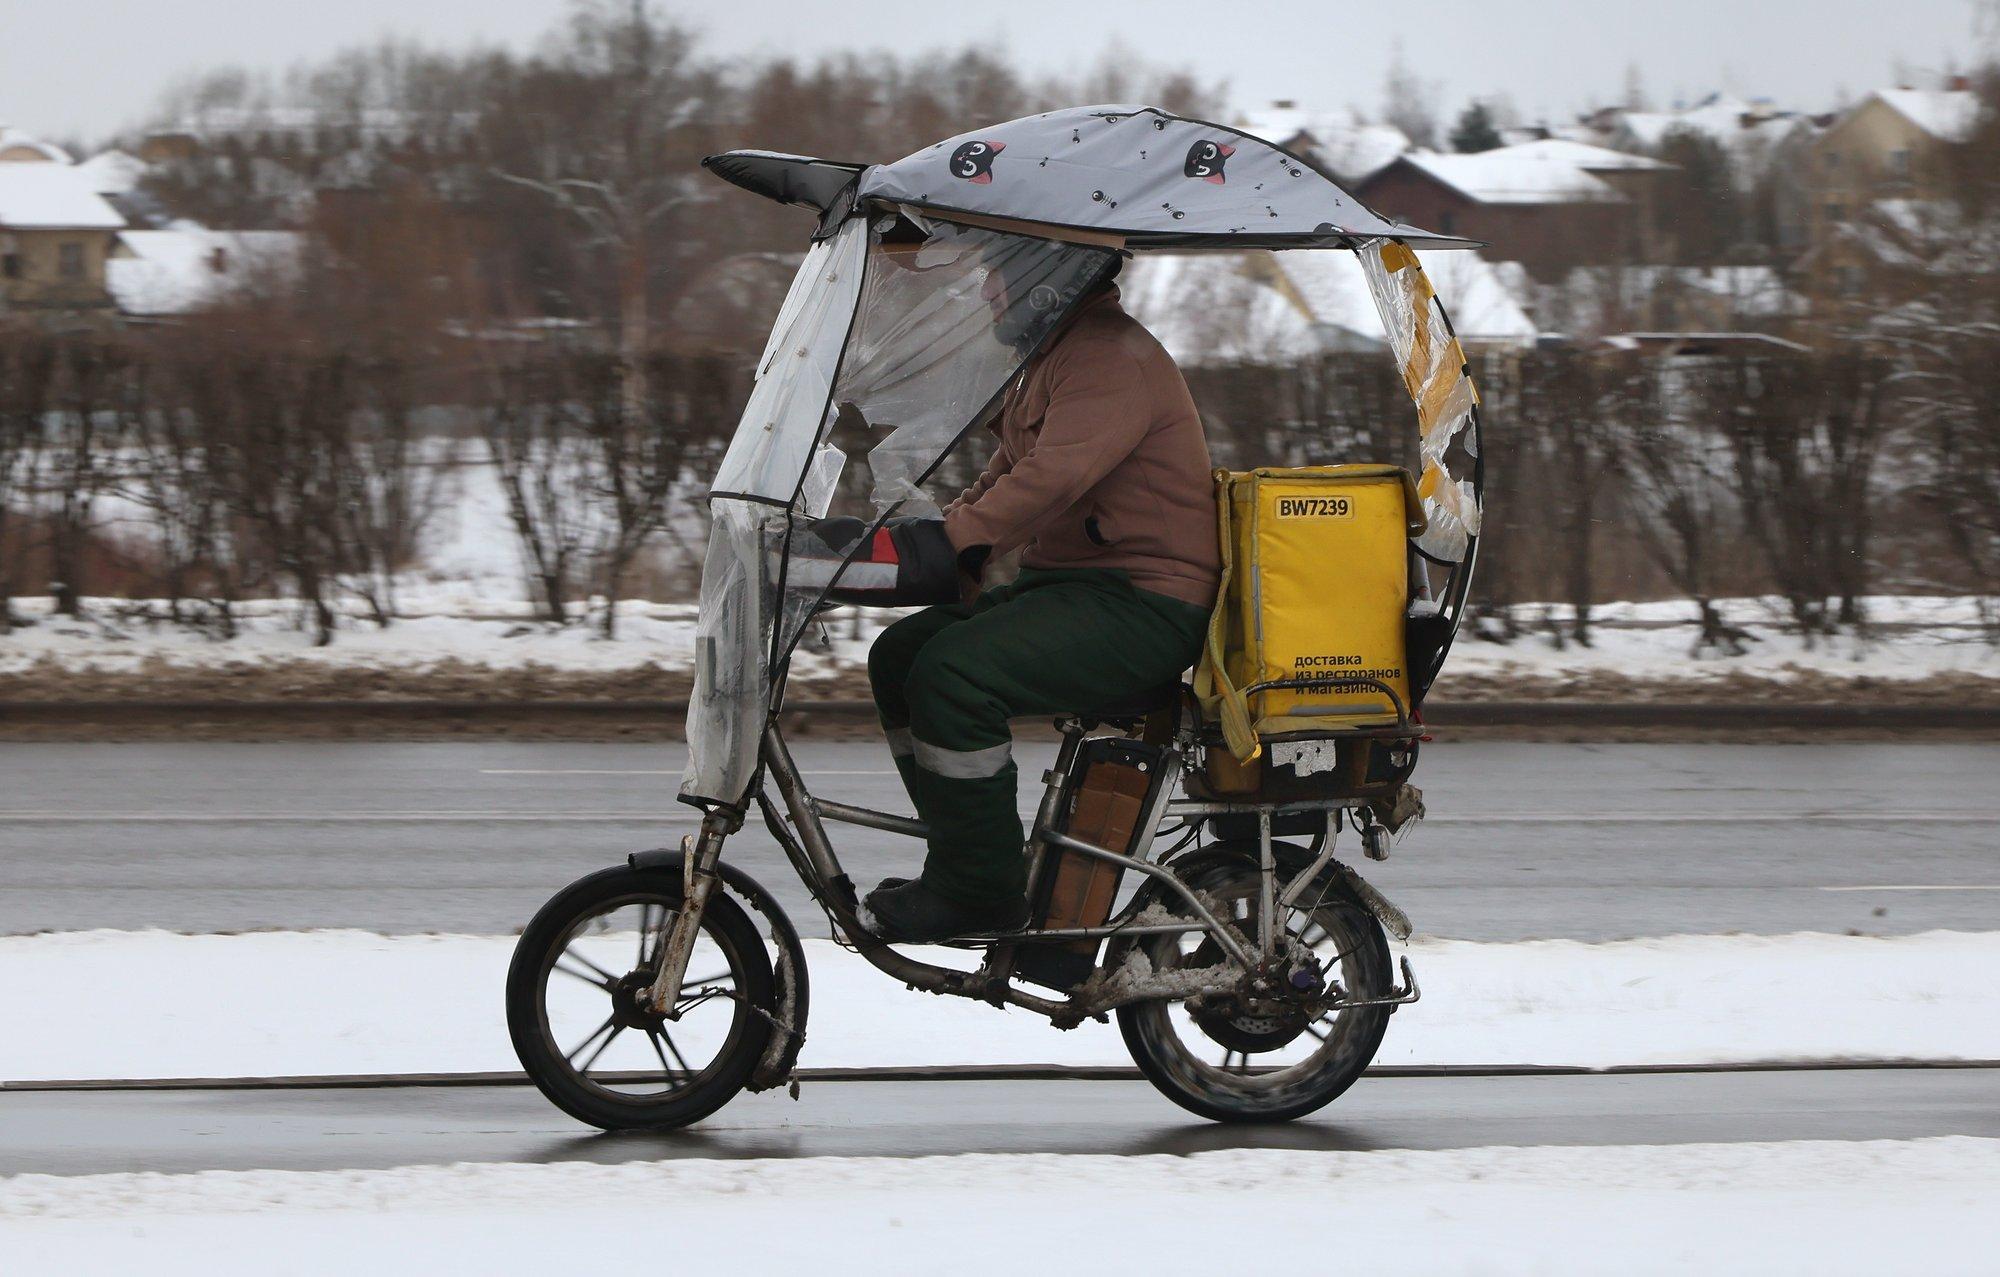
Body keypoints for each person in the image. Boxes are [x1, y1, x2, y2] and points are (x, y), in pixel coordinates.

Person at [864, 253, 1221, 943]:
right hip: (1073, 587)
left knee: (953, 676)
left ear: (1048, 277)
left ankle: (979, 890)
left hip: (1144, 603)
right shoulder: (1057, 356)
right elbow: (1006, 478)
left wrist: (955, 543)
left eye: (1000, 272)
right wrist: (922, 543)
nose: (987, 286)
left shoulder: (1110, 360)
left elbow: (1049, 481)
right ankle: (968, 858)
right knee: (899, 657)